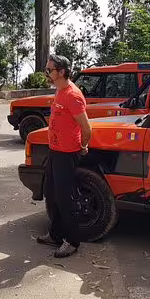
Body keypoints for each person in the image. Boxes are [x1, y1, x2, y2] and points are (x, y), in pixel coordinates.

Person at [36, 54, 92, 259]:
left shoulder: (73, 95)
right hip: (55, 151)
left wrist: (83, 146)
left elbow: (87, 128)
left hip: (67, 153)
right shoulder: (59, 92)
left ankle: (72, 241)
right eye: (46, 70)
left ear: (61, 72)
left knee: (64, 198)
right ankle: (56, 235)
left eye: (49, 70)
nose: (47, 74)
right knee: (51, 193)